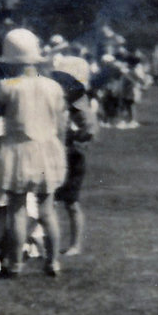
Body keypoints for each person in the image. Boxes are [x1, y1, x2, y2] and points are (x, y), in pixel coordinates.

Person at [0, 28, 69, 278]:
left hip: (18, 150)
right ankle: (53, 262)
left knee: (17, 208)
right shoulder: (53, 86)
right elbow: (60, 121)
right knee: (46, 210)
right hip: (47, 148)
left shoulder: (7, 86)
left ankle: (16, 264)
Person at [51, 52, 97, 258]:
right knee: (49, 201)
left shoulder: (79, 102)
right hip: (55, 153)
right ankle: (46, 241)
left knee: (71, 202)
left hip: (71, 156)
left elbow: (90, 129)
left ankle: (75, 243)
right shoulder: (60, 99)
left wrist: (75, 137)